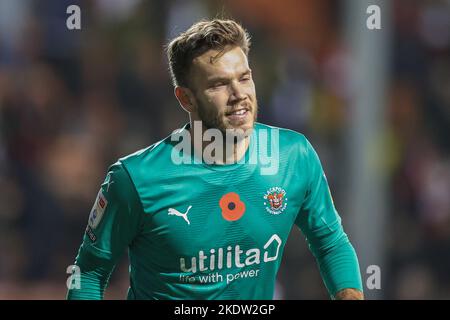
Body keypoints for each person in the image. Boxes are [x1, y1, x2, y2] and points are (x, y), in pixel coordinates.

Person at [66, 19, 363, 300]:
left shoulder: (293, 156)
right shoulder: (135, 178)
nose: (239, 94)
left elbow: (331, 242)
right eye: (219, 85)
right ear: (186, 98)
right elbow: (89, 273)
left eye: (244, 78)